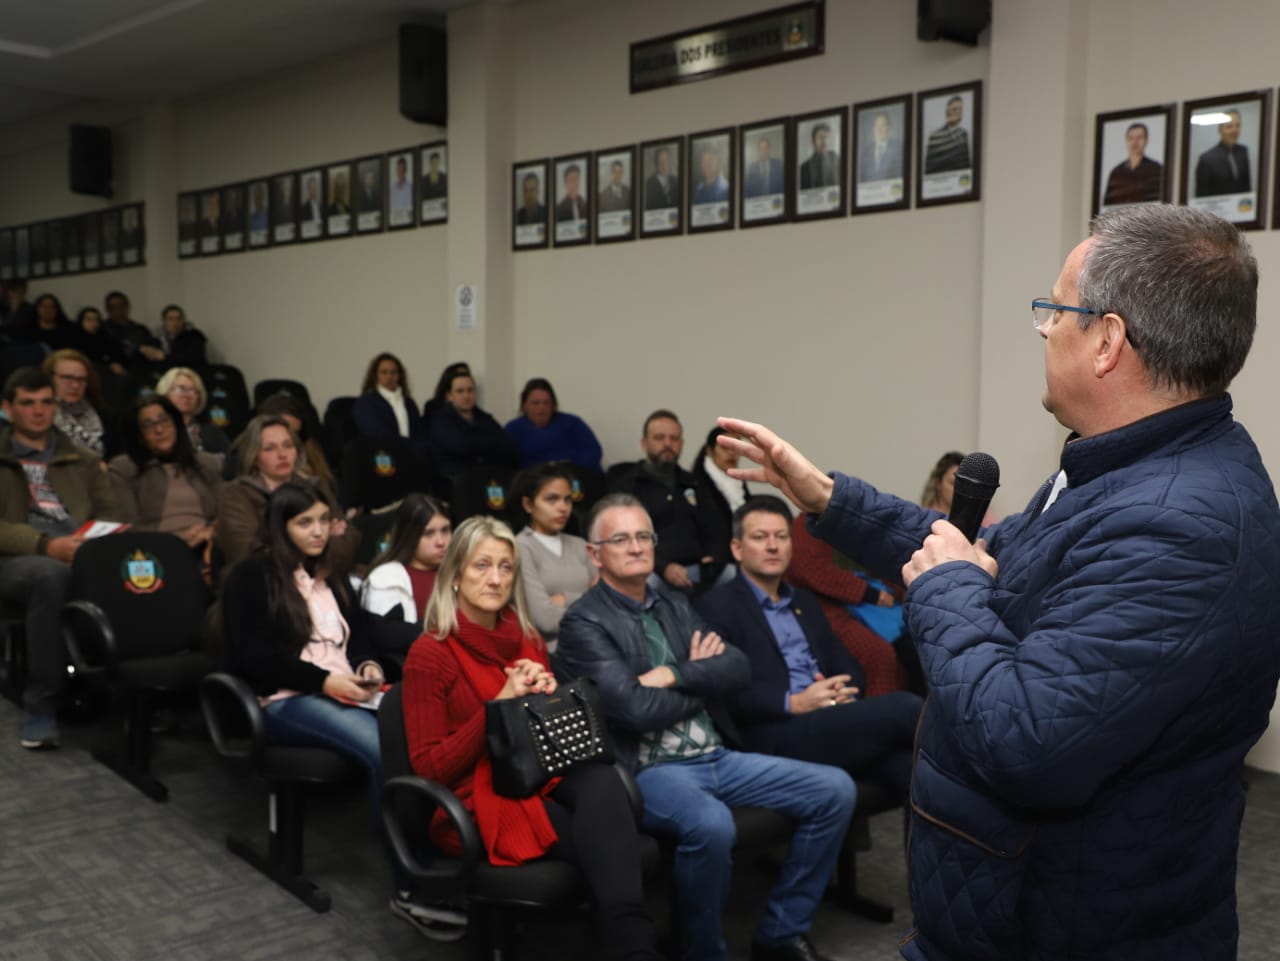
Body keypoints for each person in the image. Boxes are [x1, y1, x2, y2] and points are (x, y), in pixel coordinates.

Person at [719, 204, 1280, 961]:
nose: (1045, 328)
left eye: (1057, 310)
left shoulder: (1178, 523)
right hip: (1007, 908)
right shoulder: (1122, 466)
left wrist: (949, 588)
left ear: (1109, 340)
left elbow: (1029, 741)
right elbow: (978, 554)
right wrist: (825, 496)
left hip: (1061, 929)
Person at [557, 494, 855, 961]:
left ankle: (779, 933)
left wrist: (675, 674)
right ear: (595, 553)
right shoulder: (584, 622)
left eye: (644, 536)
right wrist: (702, 677)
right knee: (711, 825)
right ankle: (700, 951)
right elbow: (634, 709)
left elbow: (736, 668)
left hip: (717, 754)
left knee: (835, 789)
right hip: (650, 769)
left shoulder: (673, 602)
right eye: (621, 539)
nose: (637, 547)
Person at [401, 515, 665, 961]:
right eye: (482, 566)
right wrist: (499, 709)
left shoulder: (524, 637)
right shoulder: (431, 652)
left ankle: (628, 945)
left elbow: (545, 740)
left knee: (603, 780)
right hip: (474, 797)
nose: (496, 578)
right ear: (455, 575)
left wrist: (546, 696)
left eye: (506, 568)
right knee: (605, 843)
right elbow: (430, 768)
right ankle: (631, 947)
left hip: (536, 773)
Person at [219, 480, 400, 915]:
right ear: (281, 527)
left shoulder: (333, 576)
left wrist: (368, 666)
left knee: (417, 731)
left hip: (346, 689)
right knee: (383, 749)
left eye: (323, 520)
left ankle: (433, 849)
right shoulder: (251, 576)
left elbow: (359, 640)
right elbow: (251, 658)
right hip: (285, 699)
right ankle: (410, 877)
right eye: (305, 523)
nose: (318, 531)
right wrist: (322, 682)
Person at [696, 496, 921, 803]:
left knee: (917, 776)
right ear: (737, 549)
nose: (773, 546)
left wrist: (844, 688)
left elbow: (846, 662)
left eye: (781, 537)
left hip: (829, 718)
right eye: (760, 537)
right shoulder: (715, 607)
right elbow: (723, 692)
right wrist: (794, 702)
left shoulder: (803, 601)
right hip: (775, 732)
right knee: (906, 708)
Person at [0, 368, 121, 749]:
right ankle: (42, 704)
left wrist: (91, 544)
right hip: (17, 558)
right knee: (50, 575)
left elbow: (110, 515)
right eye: (27, 403)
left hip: (80, 549)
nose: (38, 412)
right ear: (7, 409)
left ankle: (134, 693)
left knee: (136, 568)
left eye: (46, 402)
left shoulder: (83, 459)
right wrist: (44, 545)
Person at [216, 415, 356, 574]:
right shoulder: (236, 494)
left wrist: (281, 543)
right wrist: (325, 540)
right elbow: (248, 553)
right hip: (264, 586)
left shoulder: (315, 486)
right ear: (254, 457)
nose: (282, 454)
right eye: (270, 448)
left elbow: (348, 540)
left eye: (288, 445)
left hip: (323, 578)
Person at [608, 410, 728, 594]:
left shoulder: (694, 483)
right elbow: (622, 540)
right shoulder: (627, 486)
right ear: (644, 443)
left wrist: (714, 556)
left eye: (674, 439)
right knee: (645, 582)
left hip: (699, 570)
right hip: (652, 570)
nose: (667, 444)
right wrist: (663, 567)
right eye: (659, 438)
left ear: (681, 444)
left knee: (734, 575)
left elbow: (716, 528)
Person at [108, 395, 221, 550]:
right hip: (156, 549)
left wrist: (211, 533)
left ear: (176, 424)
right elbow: (128, 526)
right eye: (148, 425)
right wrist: (179, 539)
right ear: (139, 435)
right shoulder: (123, 468)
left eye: (164, 420)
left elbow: (224, 513)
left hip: (210, 544)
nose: (159, 430)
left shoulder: (206, 463)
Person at [512, 463, 594, 648]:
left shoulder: (580, 545)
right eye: (552, 499)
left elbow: (609, 604)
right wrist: (588, 601)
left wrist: (564, 599)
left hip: (595, 644)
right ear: (528, 504)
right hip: (552, 654)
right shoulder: (520, 548)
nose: (563, 507)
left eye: (567, 499)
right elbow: (545, 620)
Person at [361, 494, 452, 625]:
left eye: (445, 530)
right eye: (428, 533)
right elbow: (388, 635)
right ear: (409, 536)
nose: (441, 542)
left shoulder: (462, 573)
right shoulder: (387, 578)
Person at [426, 369, 519, 477]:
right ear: (450, 396)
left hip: (487, 477)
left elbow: (509, 447)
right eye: (460, 391)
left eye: (470, 390)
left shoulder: (485, 418)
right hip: (455, 481)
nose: (466, 395)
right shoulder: (441, 421)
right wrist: (488, 443)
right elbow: (461, 447)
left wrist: (475, 442)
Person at [503, 377, 603, 471]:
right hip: (534, 481)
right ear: (524, 405)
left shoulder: (572, 423)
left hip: (574, 477)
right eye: (535, 403)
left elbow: (593, 451)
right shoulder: (514, 429)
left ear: (553, 405)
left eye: (546, 402)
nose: (541, 407)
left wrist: (570, 470)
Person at [41, 349, 110, 457]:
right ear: (50, 378)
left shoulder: (104, 415)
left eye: (81, 379)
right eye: (67, 378)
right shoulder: (38, 414)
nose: (75, 386)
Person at [351, 352, 426, 447]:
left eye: (393, 372)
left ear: (399, 376)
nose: (389, 376)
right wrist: (408, 445)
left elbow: (419, 433)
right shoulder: (366, 403)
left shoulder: (408, 402)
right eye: (384, 372)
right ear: (375, 376)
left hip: (409, 455)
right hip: (380, 455)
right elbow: (377, 434)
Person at [156, 366, 232, 458]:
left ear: (199, 399)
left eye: (192, 391)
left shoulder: (213, 435)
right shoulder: (153, 431)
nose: (186, 395)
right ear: (165, 392)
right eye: (180, 389)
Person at [693, 425, 751, 543]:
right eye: (725, 448)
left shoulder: (739, 482)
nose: (731, 453)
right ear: (709, 450)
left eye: (736, 448)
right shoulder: (695, 485)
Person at [1102, 121, 1163, 205]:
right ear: (1127, 141)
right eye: (1131, 138)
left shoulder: (1156, 169)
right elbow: (1108, 205)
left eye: (1139, 137)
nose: (1135, 142)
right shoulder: (1116, 172)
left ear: (1146, 140)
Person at [1195, 109, 1251, 196]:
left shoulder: (1243, 152)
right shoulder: (1207, 159)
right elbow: (1201, 194)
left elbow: (1246, 186)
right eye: (1229, 126)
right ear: (1220, 130)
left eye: (1237, 126)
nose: (1234, 130)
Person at [104, 291, 165, 368]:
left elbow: (154, 345)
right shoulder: (103, 330)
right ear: (108, 309)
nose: (118, 310)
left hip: (142, 368)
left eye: (121, 306)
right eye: (113, 307)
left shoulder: (140, 329)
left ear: (127, 306)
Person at [923, 95, 971, 174]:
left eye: (960, 110)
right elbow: (929, 168)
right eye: (954, 109)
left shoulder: (964, 134)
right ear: (947, 112)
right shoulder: (935, 136)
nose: (958, 112)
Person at [73, 306, 125, 375]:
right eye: (89, 320)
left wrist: (114, 363)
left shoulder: (105, 337)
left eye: (96, 320)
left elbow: (117, 355)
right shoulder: (73, 339)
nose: (93, 323)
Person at [154, 304, 208, 370]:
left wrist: (165, 357)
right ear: (164, 321)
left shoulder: (194, 336)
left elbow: (193, 358)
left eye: (179, 319)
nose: (175, 322)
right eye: (171, 319)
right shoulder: (157, 337)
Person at [858, 111, 903, 182]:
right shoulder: (866, 151)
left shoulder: (898, 147)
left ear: (889, 127)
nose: (879, 129)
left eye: (882, 125)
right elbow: (861, 179)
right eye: (876, 126)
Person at [799, 123, 839, 190]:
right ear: (813, 141)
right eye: (820, 137)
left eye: (826, 137)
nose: (824, 141)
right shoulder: (804, 168)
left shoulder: (836, 159)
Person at [643, 146, 680, 210]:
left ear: (669, 161)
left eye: (666, 160)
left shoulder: (676, 181)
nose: (663, 164)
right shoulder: (648, 184)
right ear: (656, 163)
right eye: (660, 161)